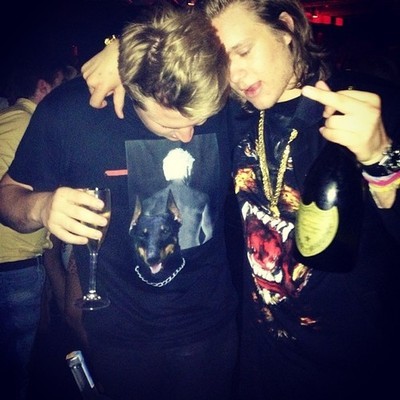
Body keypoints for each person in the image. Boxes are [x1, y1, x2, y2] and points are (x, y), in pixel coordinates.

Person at [80, 1, 400, 399]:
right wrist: (121, 50)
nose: (235, 74)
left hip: (357, 369)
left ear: (285, 28)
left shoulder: (374, 109)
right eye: (223, 60)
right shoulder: (229, 113)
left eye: (244, 50)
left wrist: (382, 160)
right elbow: (162, 58)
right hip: (261, 362)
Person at [0, 6, 244, 400]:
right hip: (118, 338)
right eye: (170, 124)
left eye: (199, 119)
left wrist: (119, 46)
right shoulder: (71, 113)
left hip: (212, 330)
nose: (187, 135)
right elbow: (7, 195)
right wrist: (41, 207)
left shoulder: (224, 96)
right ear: (132, 90)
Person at [0, 56, 69, 400]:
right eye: (61, 87)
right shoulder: (33, 124)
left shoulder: (6, 118)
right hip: (15, 262)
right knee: (15, 370)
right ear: (44, 86)